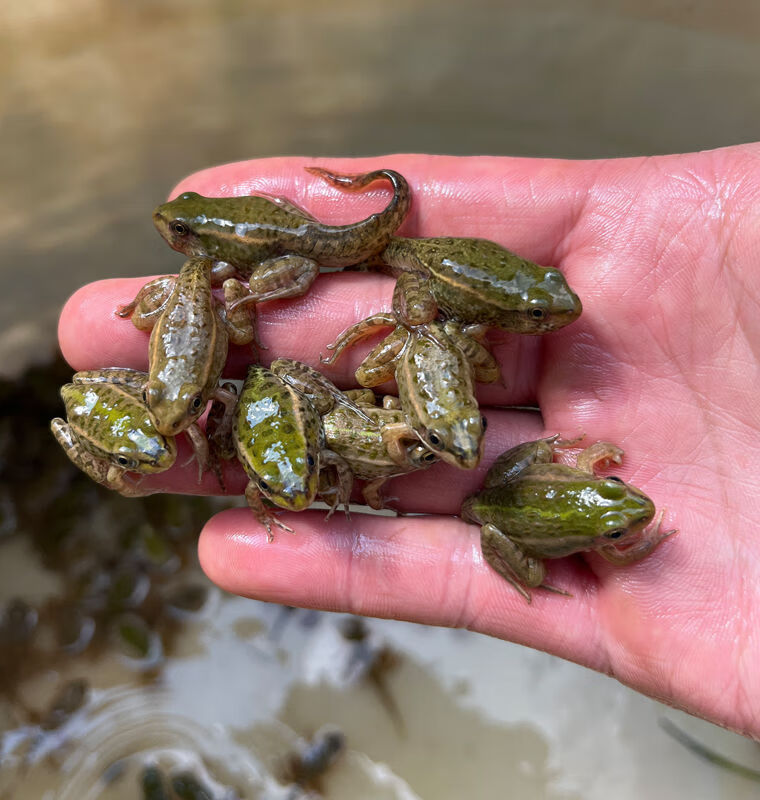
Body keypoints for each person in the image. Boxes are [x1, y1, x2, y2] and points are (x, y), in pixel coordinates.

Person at [58, 146, 760, 740]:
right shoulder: (252, 323)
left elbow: (364, 382)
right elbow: (345, 378)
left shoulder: (392, 355)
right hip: (361, 361)